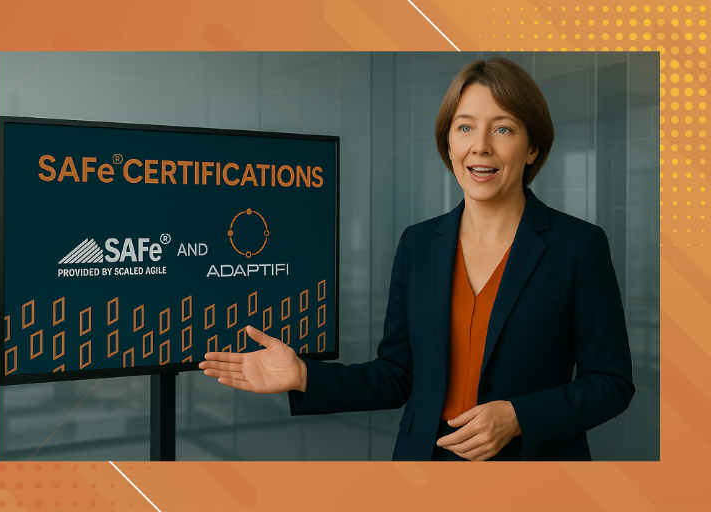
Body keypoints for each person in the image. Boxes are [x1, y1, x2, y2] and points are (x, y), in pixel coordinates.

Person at [199, 57, 634, 461]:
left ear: (533, 147)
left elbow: (611, 384)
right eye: (465, 128)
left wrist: (518, 416)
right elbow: (397, 374)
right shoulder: (419, 244)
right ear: (448, 144)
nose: (479, 147)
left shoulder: (578, 245)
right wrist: (304, 375)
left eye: (502, 129)